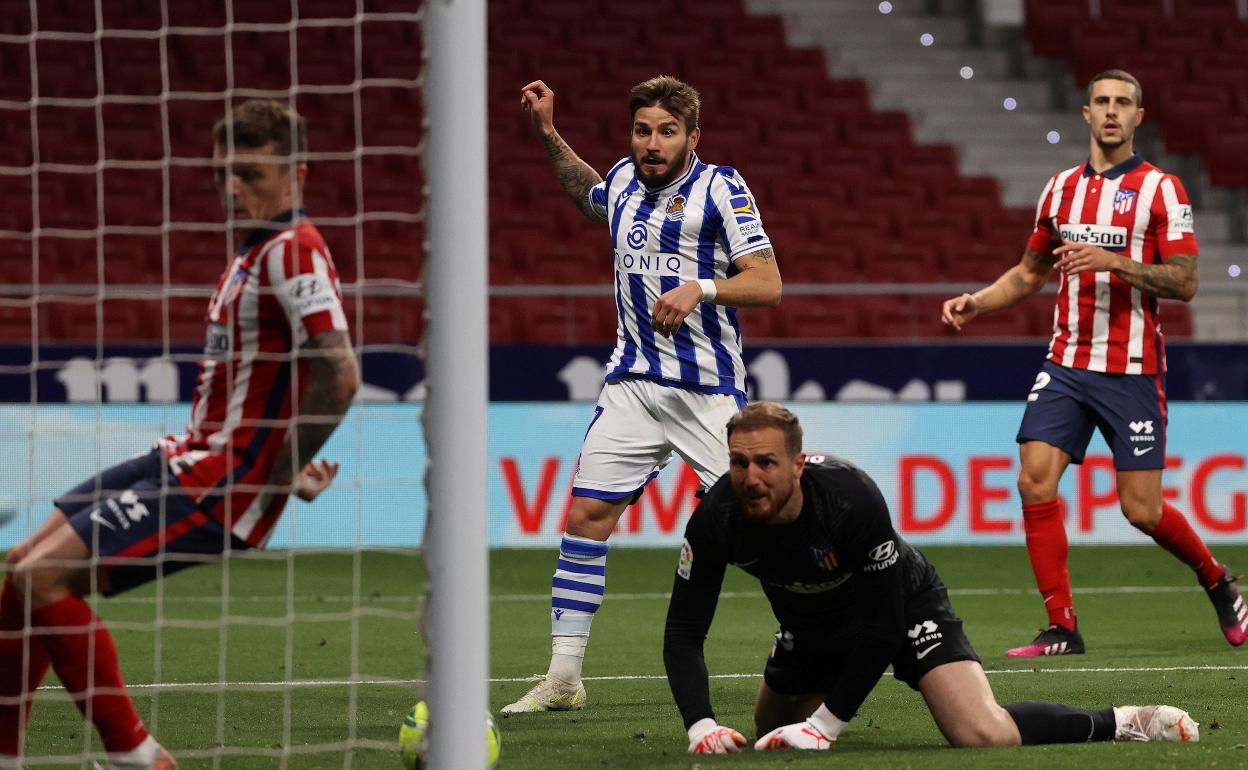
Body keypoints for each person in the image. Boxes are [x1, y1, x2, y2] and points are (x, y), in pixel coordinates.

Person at [0, 99, 360, 770]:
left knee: (44, 578)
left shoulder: (295, 249)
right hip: (189, 454)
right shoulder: (252, 254)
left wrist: (283, 464)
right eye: (225, 173)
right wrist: (291, 457)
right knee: (20, 568)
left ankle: (137, 758)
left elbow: (340, 375)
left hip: (225, 479)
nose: (232, 188)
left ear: (297, 175)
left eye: (250, 173)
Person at [663, 401, 1199, 754]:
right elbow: (684, 632)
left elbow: (883, 624)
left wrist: (825, 726)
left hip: (902, 604)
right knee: (766, 739)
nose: (750, 478)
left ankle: (1127, 720)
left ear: (797, 464)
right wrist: (701, 727)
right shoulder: (716, 519)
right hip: (811, 625)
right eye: (739, 463)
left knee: (982, 734)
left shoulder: (850, 500)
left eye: (766, 463)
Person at [940, 69, 1245, 657]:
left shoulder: (1162, 190)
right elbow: (1031, 272)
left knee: (1142, 509)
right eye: (1101, 101)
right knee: (1033, 478)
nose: (1111, 111)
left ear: (1138, 116)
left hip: (1132, 369)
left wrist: (1113, 259)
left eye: (1123, 103)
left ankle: (1217, 579)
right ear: (1086, 114)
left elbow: (1185, 282)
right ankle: (1062, 626)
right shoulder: (1058, 191)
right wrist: (978, 301)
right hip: (1065, 363)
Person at [502, 76, 783, 714]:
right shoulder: (625, 181)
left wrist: (701, 289)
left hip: (707, 392)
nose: (652, 144)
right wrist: (547, 134)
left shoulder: (721, 188)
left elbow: (768, 282)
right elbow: (589, 195)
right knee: (583, 522)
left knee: (763, 521)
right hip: (630, 385)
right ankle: (564, 677)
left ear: (692, 136)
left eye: (666, 131)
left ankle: (814, 631)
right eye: (642, 130)